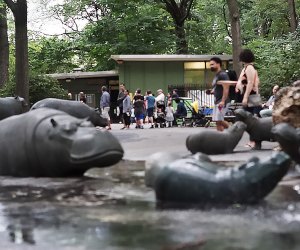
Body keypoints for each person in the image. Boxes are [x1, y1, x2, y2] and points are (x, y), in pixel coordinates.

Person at [235, 49, 260, 148]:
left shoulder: (249, 68)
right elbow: (241, 80)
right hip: (250, 95)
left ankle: (254, 141)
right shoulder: (246, 68)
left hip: (251, 96)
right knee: (249, 119)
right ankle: (252, 140)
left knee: (252, 120)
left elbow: (250, 83)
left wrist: (245, 97)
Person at [208, 57, 230, 131]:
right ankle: (221, 138)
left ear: (218, 64)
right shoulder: (217, 75)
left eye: (212, 64)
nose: (211, 66)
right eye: (210, 65)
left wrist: (223, 101)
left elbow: (226, 88)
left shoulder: (223, 75)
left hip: (222, 101)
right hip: (217, 100)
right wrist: (212, 91)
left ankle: (233, 130)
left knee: (218, 120)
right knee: (217, 121)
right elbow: (218, 88)